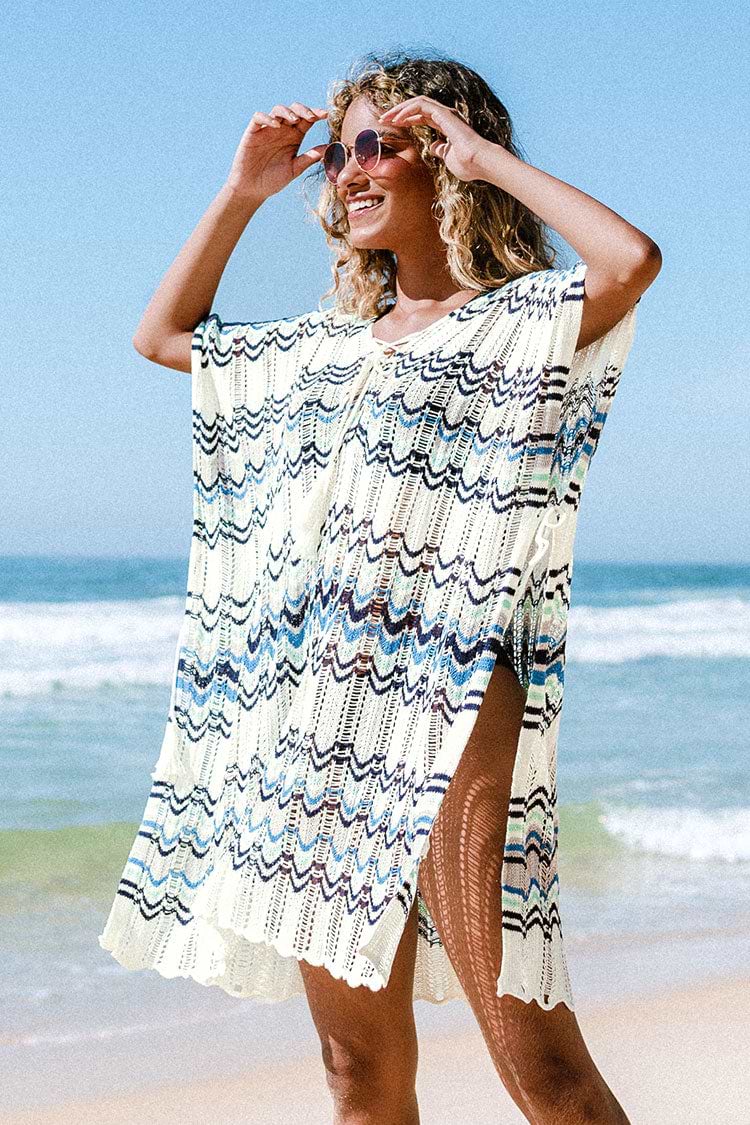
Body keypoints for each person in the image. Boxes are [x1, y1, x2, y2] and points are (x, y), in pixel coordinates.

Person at [99, 49, 661, 1124]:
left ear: (444, 162)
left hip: (448, 703)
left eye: (379, 146)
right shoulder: (319, 353)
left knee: (540, 1069)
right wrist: (242, 192)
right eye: (337, 154)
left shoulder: (515, 327)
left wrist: (488, 157)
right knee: (357, 1074)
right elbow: (161, 335)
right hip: (310, 727)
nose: (349, 171)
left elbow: (629, 259)